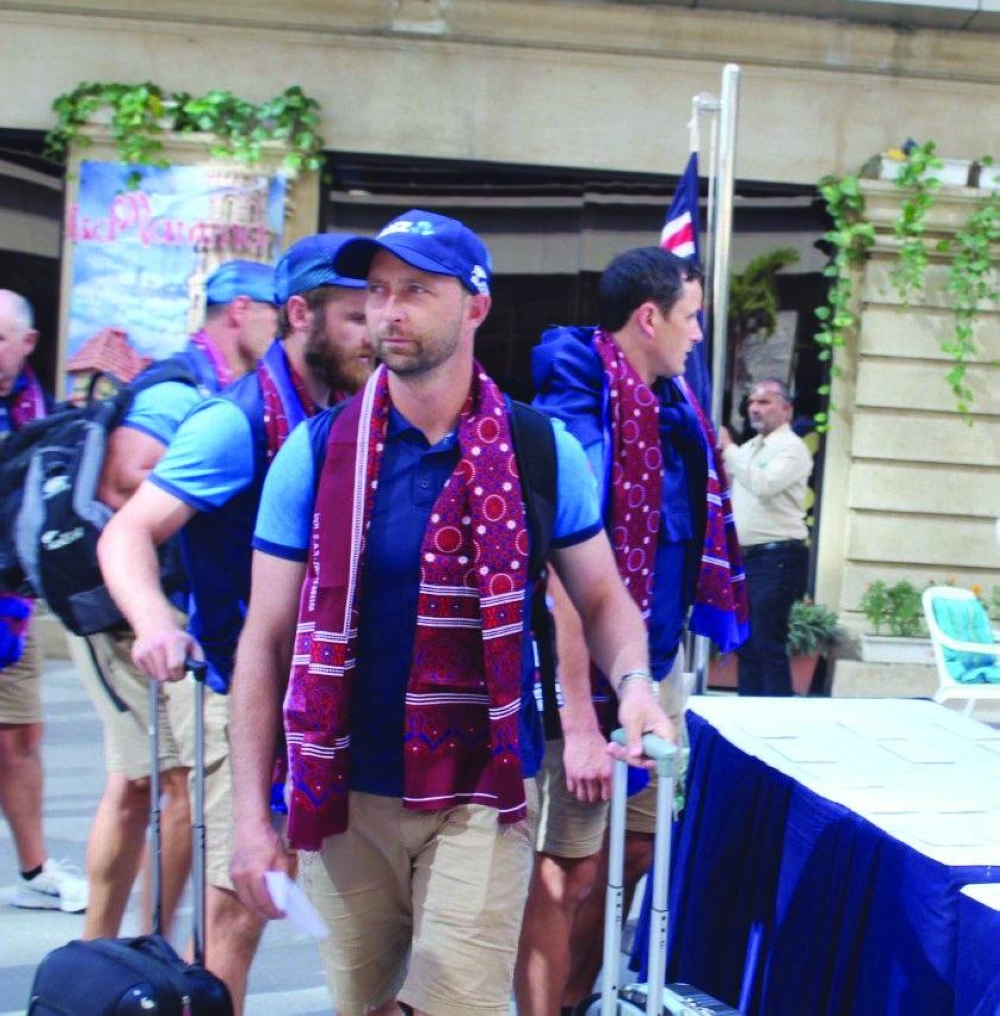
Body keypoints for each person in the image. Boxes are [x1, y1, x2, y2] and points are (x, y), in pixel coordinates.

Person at [227, 210, 675, 1016]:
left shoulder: (541, 450)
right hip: (345, 791)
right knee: (365, 1004)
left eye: (415, 291)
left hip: (484, 786)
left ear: (475, 306)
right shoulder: (317, 452)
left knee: (456, 1006)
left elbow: (603, 597)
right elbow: (265, 641)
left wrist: (636, 683)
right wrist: (251, 818)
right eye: (377, 291)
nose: (388, 311)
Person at [97, 234, 371, 1013]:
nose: (376, 332)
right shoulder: (232, 422)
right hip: (242, 695)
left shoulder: (355, 410)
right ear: (300, 315)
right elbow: (126, 532)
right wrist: (155, 622)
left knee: (359, 911)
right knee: (237, 909)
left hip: (333, 694)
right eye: (356, 316)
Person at [517, 247, 749, 1014]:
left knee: (639, 846)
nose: (697, 335)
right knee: (570, 869)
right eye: (691, 318)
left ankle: (578, 1001)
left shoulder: (672, 411)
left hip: (652, 669)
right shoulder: (577, 413)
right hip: (581, 678)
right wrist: (581, 724)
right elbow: (563, 577)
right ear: (649, 318)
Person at [77, 260, 278, 940]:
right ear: (242, 309)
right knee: (150, 784)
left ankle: (141, 948)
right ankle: (110, 954)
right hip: (128, 613)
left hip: (165, 608)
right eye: (277, 310)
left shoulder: (226, 388)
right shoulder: (180, 392)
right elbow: (118, 484)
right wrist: (205, 492)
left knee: (163, 785)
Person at [0, 289, 88, 913]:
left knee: (19, 737)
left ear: (28, 344)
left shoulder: (42, 414)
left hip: (12, 604)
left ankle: (35, 871)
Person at [719, 377, 812, 697]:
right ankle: (748, 710)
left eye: (764, 402)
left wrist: (729, 449)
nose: (755, 409)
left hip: (778, 558)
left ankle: (777, 715)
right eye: (752, 402)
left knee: (767, 641)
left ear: (786, 409)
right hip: (747, 557)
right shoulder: (750, 448)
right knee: (746, 643)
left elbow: (763, 484)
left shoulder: (791, 448)